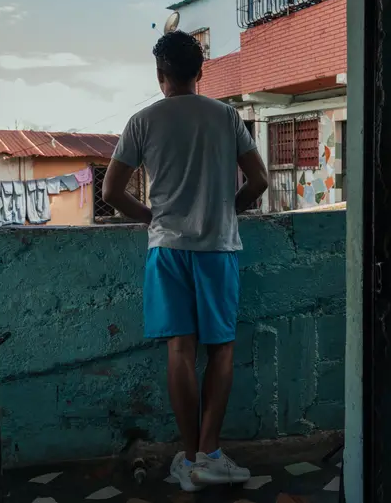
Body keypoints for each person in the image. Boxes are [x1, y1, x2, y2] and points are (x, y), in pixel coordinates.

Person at [101, 30, 269, 492]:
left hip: (168, 249)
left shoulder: (142, 121)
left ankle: (191, 458)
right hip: (218, 249)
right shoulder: (226, 116)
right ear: (201, 72)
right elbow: (259, 180)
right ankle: (211, 454)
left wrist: (150, 216)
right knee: (222, 350)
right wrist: (226, 208)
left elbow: (110, 193)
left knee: (180, 350)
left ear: (161, 75)